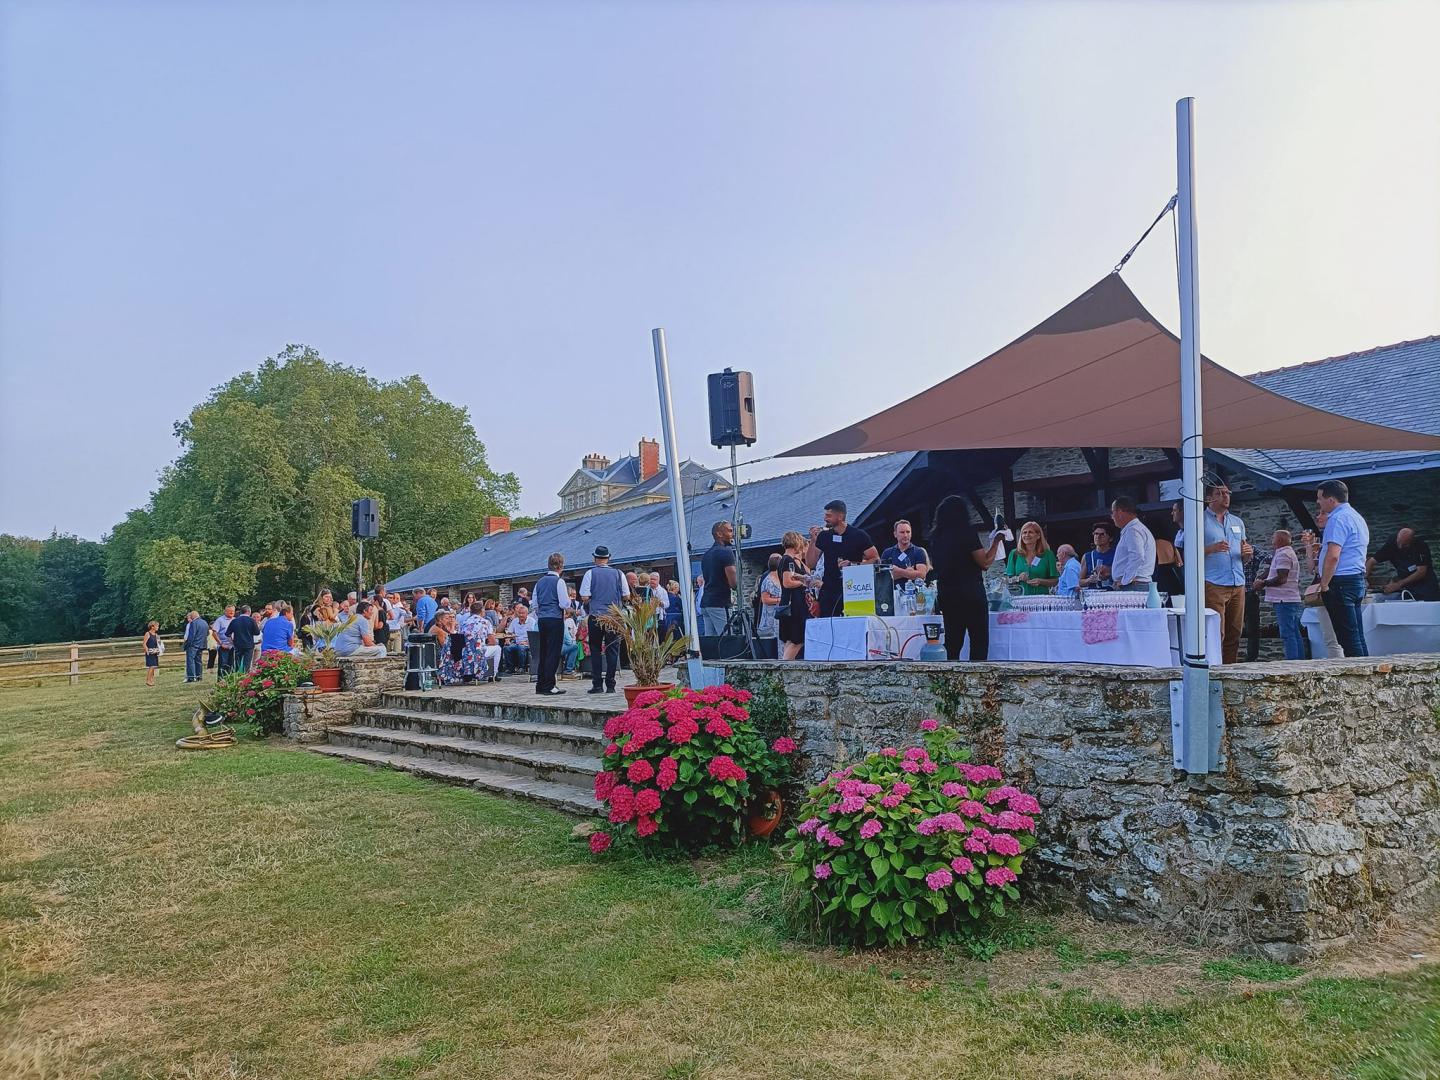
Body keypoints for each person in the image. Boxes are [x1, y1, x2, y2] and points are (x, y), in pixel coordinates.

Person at [929, 496, 1004, 661]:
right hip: (970, 591)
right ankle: (976, 679)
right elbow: (984, 562)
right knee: (978, 640)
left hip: (947, 592)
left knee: (953, 641)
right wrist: (996, 542)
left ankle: (949, 678)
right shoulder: (966, 533)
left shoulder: (935, 537)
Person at [1316, 479, 1371, 657]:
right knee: (1356, 635)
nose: (1318, 502)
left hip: (1340, 581)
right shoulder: (1356, 517)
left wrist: (1324, 583)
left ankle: (1359, 679)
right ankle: (1366, 673)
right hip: (1356, 578)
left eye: (1320, 498)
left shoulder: (1337, 519)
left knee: (1347, 637)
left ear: (1331, 499)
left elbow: (1333, 555)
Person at [1200, 482, 1253, 665]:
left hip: (1237, 582)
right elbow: (1188, 553)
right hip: (1213, 583)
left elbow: (1243, 554)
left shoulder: (1237, 522)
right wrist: (1211, 548)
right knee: (1216, 632)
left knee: (1235, 632)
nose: (1225, 496)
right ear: (1209, 498)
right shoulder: (1200, 521)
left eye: (1227, 493)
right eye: (1220, 493)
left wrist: (1247, 554)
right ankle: (1215, 669)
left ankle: (1230, 669)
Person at [805, 500, 879, 618]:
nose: (825, 518)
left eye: (828, 515)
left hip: (854, 590)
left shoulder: (858, 535)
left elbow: (875, 559)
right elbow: (810, 563)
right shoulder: (824, 536)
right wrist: (813, 541)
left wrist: (853, 565)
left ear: (840, 516)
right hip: (828, 589)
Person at [580, 545, 629, 694]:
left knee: (595, 649)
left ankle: (597, 684)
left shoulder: (590, 573)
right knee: (612, 650)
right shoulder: (619, 573)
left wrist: (593, 603)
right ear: (608, 558)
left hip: (596, 616)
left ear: (595, 558)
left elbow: (584, 596)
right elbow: (626, 595)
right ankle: (611, 684)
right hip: (613, 616)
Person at [1299, 514, 1345, 659]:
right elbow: (1311, 568)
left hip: (1331, 588)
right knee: (1329, 634)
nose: (1318, 517)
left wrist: (1324, 583)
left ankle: (1338, 665)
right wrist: (1308, 547)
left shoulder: (1334, 541)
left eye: (1322, 514)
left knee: (1333, 636)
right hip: (1325, 589)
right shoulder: (1323, 543)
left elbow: (1333, 562)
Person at [1255, 529, 1304, 660]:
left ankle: (1293, 662)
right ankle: (1299, 660)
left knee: (1287, 633)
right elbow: (1272, 570)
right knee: (1294, 631)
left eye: (1273, 538)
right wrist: (1262, 578)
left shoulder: (1284, 555)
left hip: (1284, 599)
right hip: (1289, 598)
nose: (1271, 541)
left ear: (1280, 540)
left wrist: (1263, 583)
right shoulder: (1284, 553)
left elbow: (1282, 578)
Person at [1368, 527, 1440, 601]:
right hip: (1408, 589)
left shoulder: (1420, 545)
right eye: (1399, 543)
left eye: (1404, 544)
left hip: (1427, 587)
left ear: (1411, 540)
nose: (1400, 546)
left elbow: (1421, 572)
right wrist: (1364, 581)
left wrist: (1398, 584)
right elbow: (1371, 561)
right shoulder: (1391, 545)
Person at [532, 552, 569, 695]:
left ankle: (540, 685)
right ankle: (549, 685)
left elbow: (535, 603)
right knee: (553, 653)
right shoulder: (559, 581)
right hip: (555, 618)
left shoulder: (539, 582)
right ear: (561, 566)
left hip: (542, 619)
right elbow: (564, 603)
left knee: (544, 651)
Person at [699, 521, 738, 635]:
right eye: (730, 531)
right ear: (719, 534)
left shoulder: (707, 554)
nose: (733, 534)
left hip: (706, 602)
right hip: (719, 603)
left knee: (711, 640)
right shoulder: (726, 552)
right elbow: (733, 584)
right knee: (726, 638)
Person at [1109, 497, 1156, 592]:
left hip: (1134, 586)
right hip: (1135, 585)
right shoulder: (1135, 529)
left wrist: (1125, 580)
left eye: (1112, 512)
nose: (1111, 516)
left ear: (1119, 512)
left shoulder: (1133, 530)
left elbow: (1137, 555)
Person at [777, 530, 811, 661]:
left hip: (794, 602)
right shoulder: (787, 561)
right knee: (796, 639)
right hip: (794, 603)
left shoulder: (790, 560)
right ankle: (785, 665)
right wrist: (803, 583)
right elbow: (787, 582)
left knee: (791, 640)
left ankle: (785, 663)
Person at [1004, 521, 1058, 595]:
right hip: (1019, 600)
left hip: (1041, 600)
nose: (1027, 535)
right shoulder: (1014, 554)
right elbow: (1006, 580)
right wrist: (1018, 578)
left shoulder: (1048, 554)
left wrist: (1041, 581)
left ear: (1038, 535)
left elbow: (1055, 581)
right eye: (1024, 532)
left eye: (1030, 532)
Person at [882, 520, 930, 585]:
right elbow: (882, 577)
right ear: (895, 534)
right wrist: (910, 573)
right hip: (892, 593)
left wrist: (898, 571)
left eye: (908, 532)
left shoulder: (919, 551)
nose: (905, 535)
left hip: (913, 593)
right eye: (902, 532)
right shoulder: (887, 553)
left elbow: (921, 575)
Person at [755, 553, 783, 659]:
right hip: (770, 616)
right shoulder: (768, 580)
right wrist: (779, 600)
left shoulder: (780, 578)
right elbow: (765, 599)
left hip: (779, 616)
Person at [1079, 524, 1115, 590]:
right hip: (1094, 595)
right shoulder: (1088, 556)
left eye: (1102, 534)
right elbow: (1080, 582)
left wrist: (1109, 572)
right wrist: (1089, 580)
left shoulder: (1116, 555)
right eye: (1096, 534)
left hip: (1111, 594)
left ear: (1110, 538)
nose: (1098, 537)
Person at [229, 605, 259, 673]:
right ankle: (245, 679)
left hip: (238, 645)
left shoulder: (234, 621)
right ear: (249, 612)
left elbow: (228, 633)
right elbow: (257, 632)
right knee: (247, 664)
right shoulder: (252, 621)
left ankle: (236, 677)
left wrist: (232, 641)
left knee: (237, 663)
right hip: (249, 645)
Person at [183, 611, 209, 683]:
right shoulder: (205, 622)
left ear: (193, 616)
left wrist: (188, 644)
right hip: (201, 644)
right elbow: (207, 633)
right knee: (198, 661)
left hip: (193, 645)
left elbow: (192, 635)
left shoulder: (193, 623)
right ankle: (199, 676)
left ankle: (191, 677)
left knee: (190, 661)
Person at [215, 605, 235, 675]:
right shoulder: (220, 620)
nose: (232, 612)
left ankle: (230, 682)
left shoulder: (235, 620)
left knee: (232, 664)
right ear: (225, 611)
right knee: (223, 665)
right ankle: (221, 682)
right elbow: (214, 633)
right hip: (224, 646)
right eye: (230, 611)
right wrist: (221, 643)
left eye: (233, 611)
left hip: (233, 646)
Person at [143, 621, 161, 686]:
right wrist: (147, 651)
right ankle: (148, 680)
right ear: (152, 627)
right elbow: (144, 644)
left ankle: (151, 680)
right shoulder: (147, 634)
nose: (158, 627)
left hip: (155, 652)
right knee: (151, 666)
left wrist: (158, 650)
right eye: (157, 626)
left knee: (154, 667)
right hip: (150, 652)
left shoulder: (156, 635)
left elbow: (159, 644)